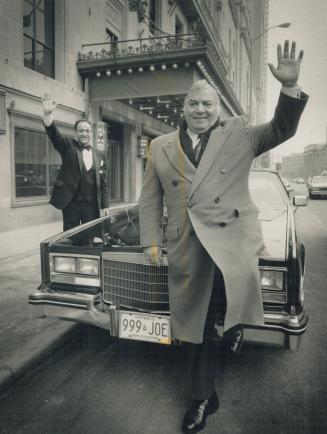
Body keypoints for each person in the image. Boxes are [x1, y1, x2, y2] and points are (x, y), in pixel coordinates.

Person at [139, 40, 308, 433]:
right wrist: (150, 240)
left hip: (227, 246)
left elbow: (282, 128)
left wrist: (289, 88)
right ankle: (215, 367)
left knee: (209, 323)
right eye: (194, 104)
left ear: (219, 110)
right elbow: (150, 198)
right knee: (194, 328)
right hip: (186, 248)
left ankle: (201, 398)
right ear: (183, 109)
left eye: (208, 105)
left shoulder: (240, 136)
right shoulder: (160, 146)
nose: (200, 111)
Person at [41, 93, 109, 237]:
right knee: (70, 238)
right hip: (71, 203)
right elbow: (55, 136)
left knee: (90, 238)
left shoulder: (100, 154)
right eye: (81, 131)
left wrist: (105, 205)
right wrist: (48, 115)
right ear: (76, 133)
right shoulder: (68, 146)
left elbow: (104, 183)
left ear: (92, 133)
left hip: (92, 205)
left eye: (87, 131)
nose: (84, 134)